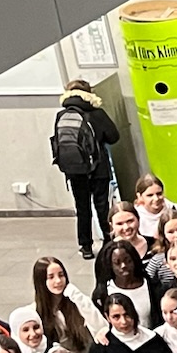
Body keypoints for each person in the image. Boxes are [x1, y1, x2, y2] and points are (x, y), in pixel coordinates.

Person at [51, 79, 121, 260]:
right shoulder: (96, 113)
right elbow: (114, 136)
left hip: (75, 170)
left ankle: (86, 246)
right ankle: (109, 241)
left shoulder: (61, 115)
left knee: (82, 208)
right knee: (102, 206)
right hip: (98, 168)